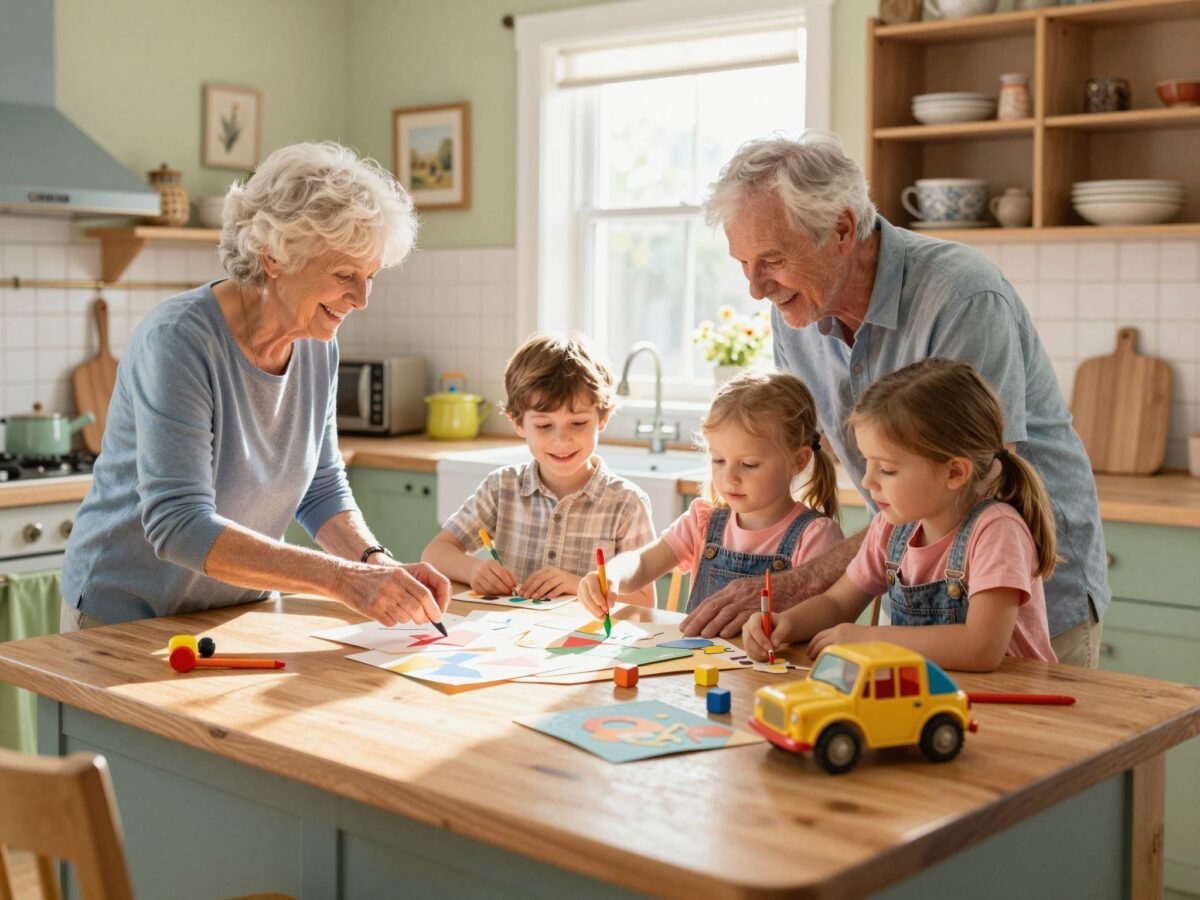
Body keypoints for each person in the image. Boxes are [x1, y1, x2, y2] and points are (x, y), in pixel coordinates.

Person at [689, 133, 1109, 668]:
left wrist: (802, 581)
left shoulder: (961, 296)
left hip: (1031, 605)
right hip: (914, 590)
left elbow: (981, 481)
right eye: (743, 263)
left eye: (771, 259)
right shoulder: (795, 311)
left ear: (842, 229)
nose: (755, 288)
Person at [61, 142, 450, 630]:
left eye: (371, 276)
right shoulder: (179, 340)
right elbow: (178, 525)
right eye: (344, 275)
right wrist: (343, 579)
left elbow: (320, 487)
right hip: (127, 614)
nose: (362, 298)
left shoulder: (317, 343)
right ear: (274, 256)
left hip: (236, 609)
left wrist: (376, 563)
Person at [743, 359, 1057, 672]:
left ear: (955, 473)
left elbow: (981, 648)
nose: (868, 481)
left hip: (1013, 697)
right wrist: (785, 623)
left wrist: (869, 639)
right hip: (938, 692)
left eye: (887, 469)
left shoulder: (997, 531)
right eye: (867, 462)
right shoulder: (891, 528)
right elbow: (836, 604)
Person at [577, 370, 843, 619]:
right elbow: (642, 563)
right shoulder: (702, 521)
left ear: (798, 460)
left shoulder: (816, 537)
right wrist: (611, 575)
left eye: (749, 464)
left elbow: (824, 617)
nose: (730, 477)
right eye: (718, 460)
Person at [422, 333, 656, 604]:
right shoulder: (501, 488)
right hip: (509, 628)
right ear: (517, 423)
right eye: (544, 426)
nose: (562, 440)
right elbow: (434, 554)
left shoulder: (627, 504)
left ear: (603, 417)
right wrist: (473, 570)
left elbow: (645, 601)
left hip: (586, 632)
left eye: (578, 423)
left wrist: (577, 585)